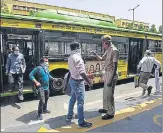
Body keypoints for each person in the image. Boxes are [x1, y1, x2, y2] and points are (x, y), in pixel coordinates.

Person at [91, 35, 119, 120]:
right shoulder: (108, 50)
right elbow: (102, 59)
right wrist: (95, 54)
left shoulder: (114, 51)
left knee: (109, 95)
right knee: (105, 93)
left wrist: (110, 79)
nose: (102, 45)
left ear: (107, 43)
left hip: (111, 74)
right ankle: (106, 108)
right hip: (107, 73)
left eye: (103, 44)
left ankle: (110, 113)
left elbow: (115, 67)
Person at [66, 42, 93, 128]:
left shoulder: (70, 57)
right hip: (78, 82)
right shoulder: (77, 58)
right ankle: (81, 122)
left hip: (73, 80)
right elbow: (82, 73)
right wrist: (89, 82)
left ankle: (69, 116)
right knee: (80, 102)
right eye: (80, 47)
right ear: (77, 47)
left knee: (73, 99)